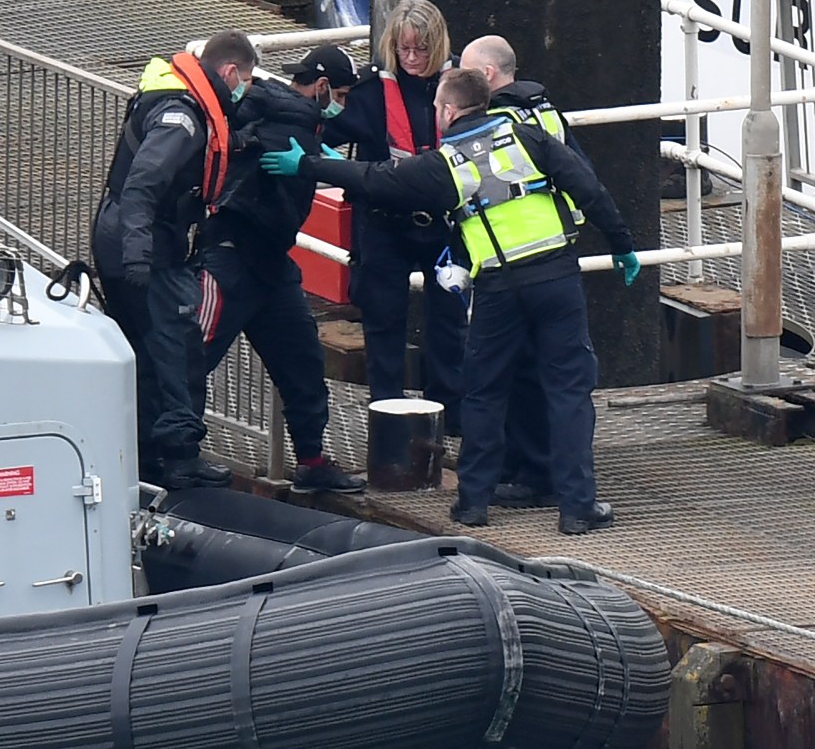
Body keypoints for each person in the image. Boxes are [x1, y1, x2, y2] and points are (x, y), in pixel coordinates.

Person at [260, 68, 641, 535]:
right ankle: (578, 507)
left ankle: (473, 504)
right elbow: (589, 189)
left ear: (448, 110)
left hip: (499, 289)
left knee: (483, 393)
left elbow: (377, 178)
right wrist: (621, 245)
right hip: (556, 279)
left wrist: (310, 165)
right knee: (569, 393)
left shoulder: (445, 162)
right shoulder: (528, 138)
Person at [91, 29, 258, 490]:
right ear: (229, 72)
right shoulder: (181, 118)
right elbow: (145, 182)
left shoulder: (177, 97)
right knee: (179, 347)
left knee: (143, 348)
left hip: (125, 235)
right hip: (144, 243)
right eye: (244, 81)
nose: (244, 90)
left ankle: (143, 451)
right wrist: (139, 253)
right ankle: (179, 455)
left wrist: (242, 142)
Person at [198, 45, 366, 493]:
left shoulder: (289, 116)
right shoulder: (290, 120)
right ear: (323, 86)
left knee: (303, 361)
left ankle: (312, 460)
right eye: (342, 95)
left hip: (271, 261)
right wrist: (316, 158)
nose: (342, 107)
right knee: (189, 360)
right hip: (232, 257)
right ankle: (170, 455)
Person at [321, 0, 467, 436]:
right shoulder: (369, 91)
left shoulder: (461, 85)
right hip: (383, 224)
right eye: (404, 50)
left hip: (444, 227)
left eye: (421, 50)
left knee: (449, 325)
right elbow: (325, 128)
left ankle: (451, 422)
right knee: (383, 325)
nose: (412, 59)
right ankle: (387, 422)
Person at [460, 34, 590, 510]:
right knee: (563, 384)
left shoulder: (492, 125)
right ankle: (568, 492)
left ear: (488, 76)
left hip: (504, 270)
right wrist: (617, 242)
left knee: (494, 383)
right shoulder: (546, 112)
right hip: (557, 262)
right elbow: (583, 178)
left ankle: (495, 487)